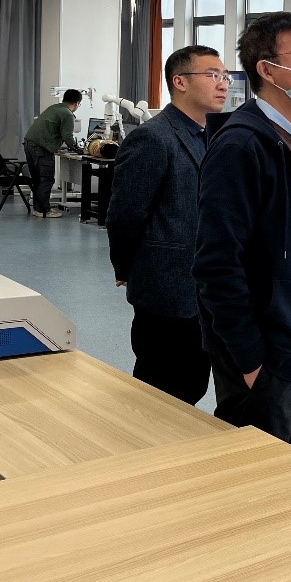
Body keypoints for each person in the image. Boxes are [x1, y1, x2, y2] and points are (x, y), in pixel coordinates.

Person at [192, 12, 291, 453]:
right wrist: (249, 360)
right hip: (267, 353)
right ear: (267, 70)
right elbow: (217, 266)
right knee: (255, 476)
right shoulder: (241, 146)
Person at [106, 45, 228, 405]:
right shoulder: (153, 137)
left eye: (224, 76)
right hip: (167, 286)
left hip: (207, 287)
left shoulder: (214, 136)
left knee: (194, 382)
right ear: (180, 82)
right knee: (161, 387)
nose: (223, 84)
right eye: (212, 75)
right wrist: (126, 267)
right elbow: (125, 214)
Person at [23, 88, 81, 218]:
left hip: (29, 144)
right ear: (77, 103)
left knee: (37, 179)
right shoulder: (67, 114)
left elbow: (50, 130)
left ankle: (37, 209)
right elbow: (68, 136)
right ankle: (44, 210)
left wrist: (56, 145)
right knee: (46, 179)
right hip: (40, 148)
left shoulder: (54, 108)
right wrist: (80, 150)